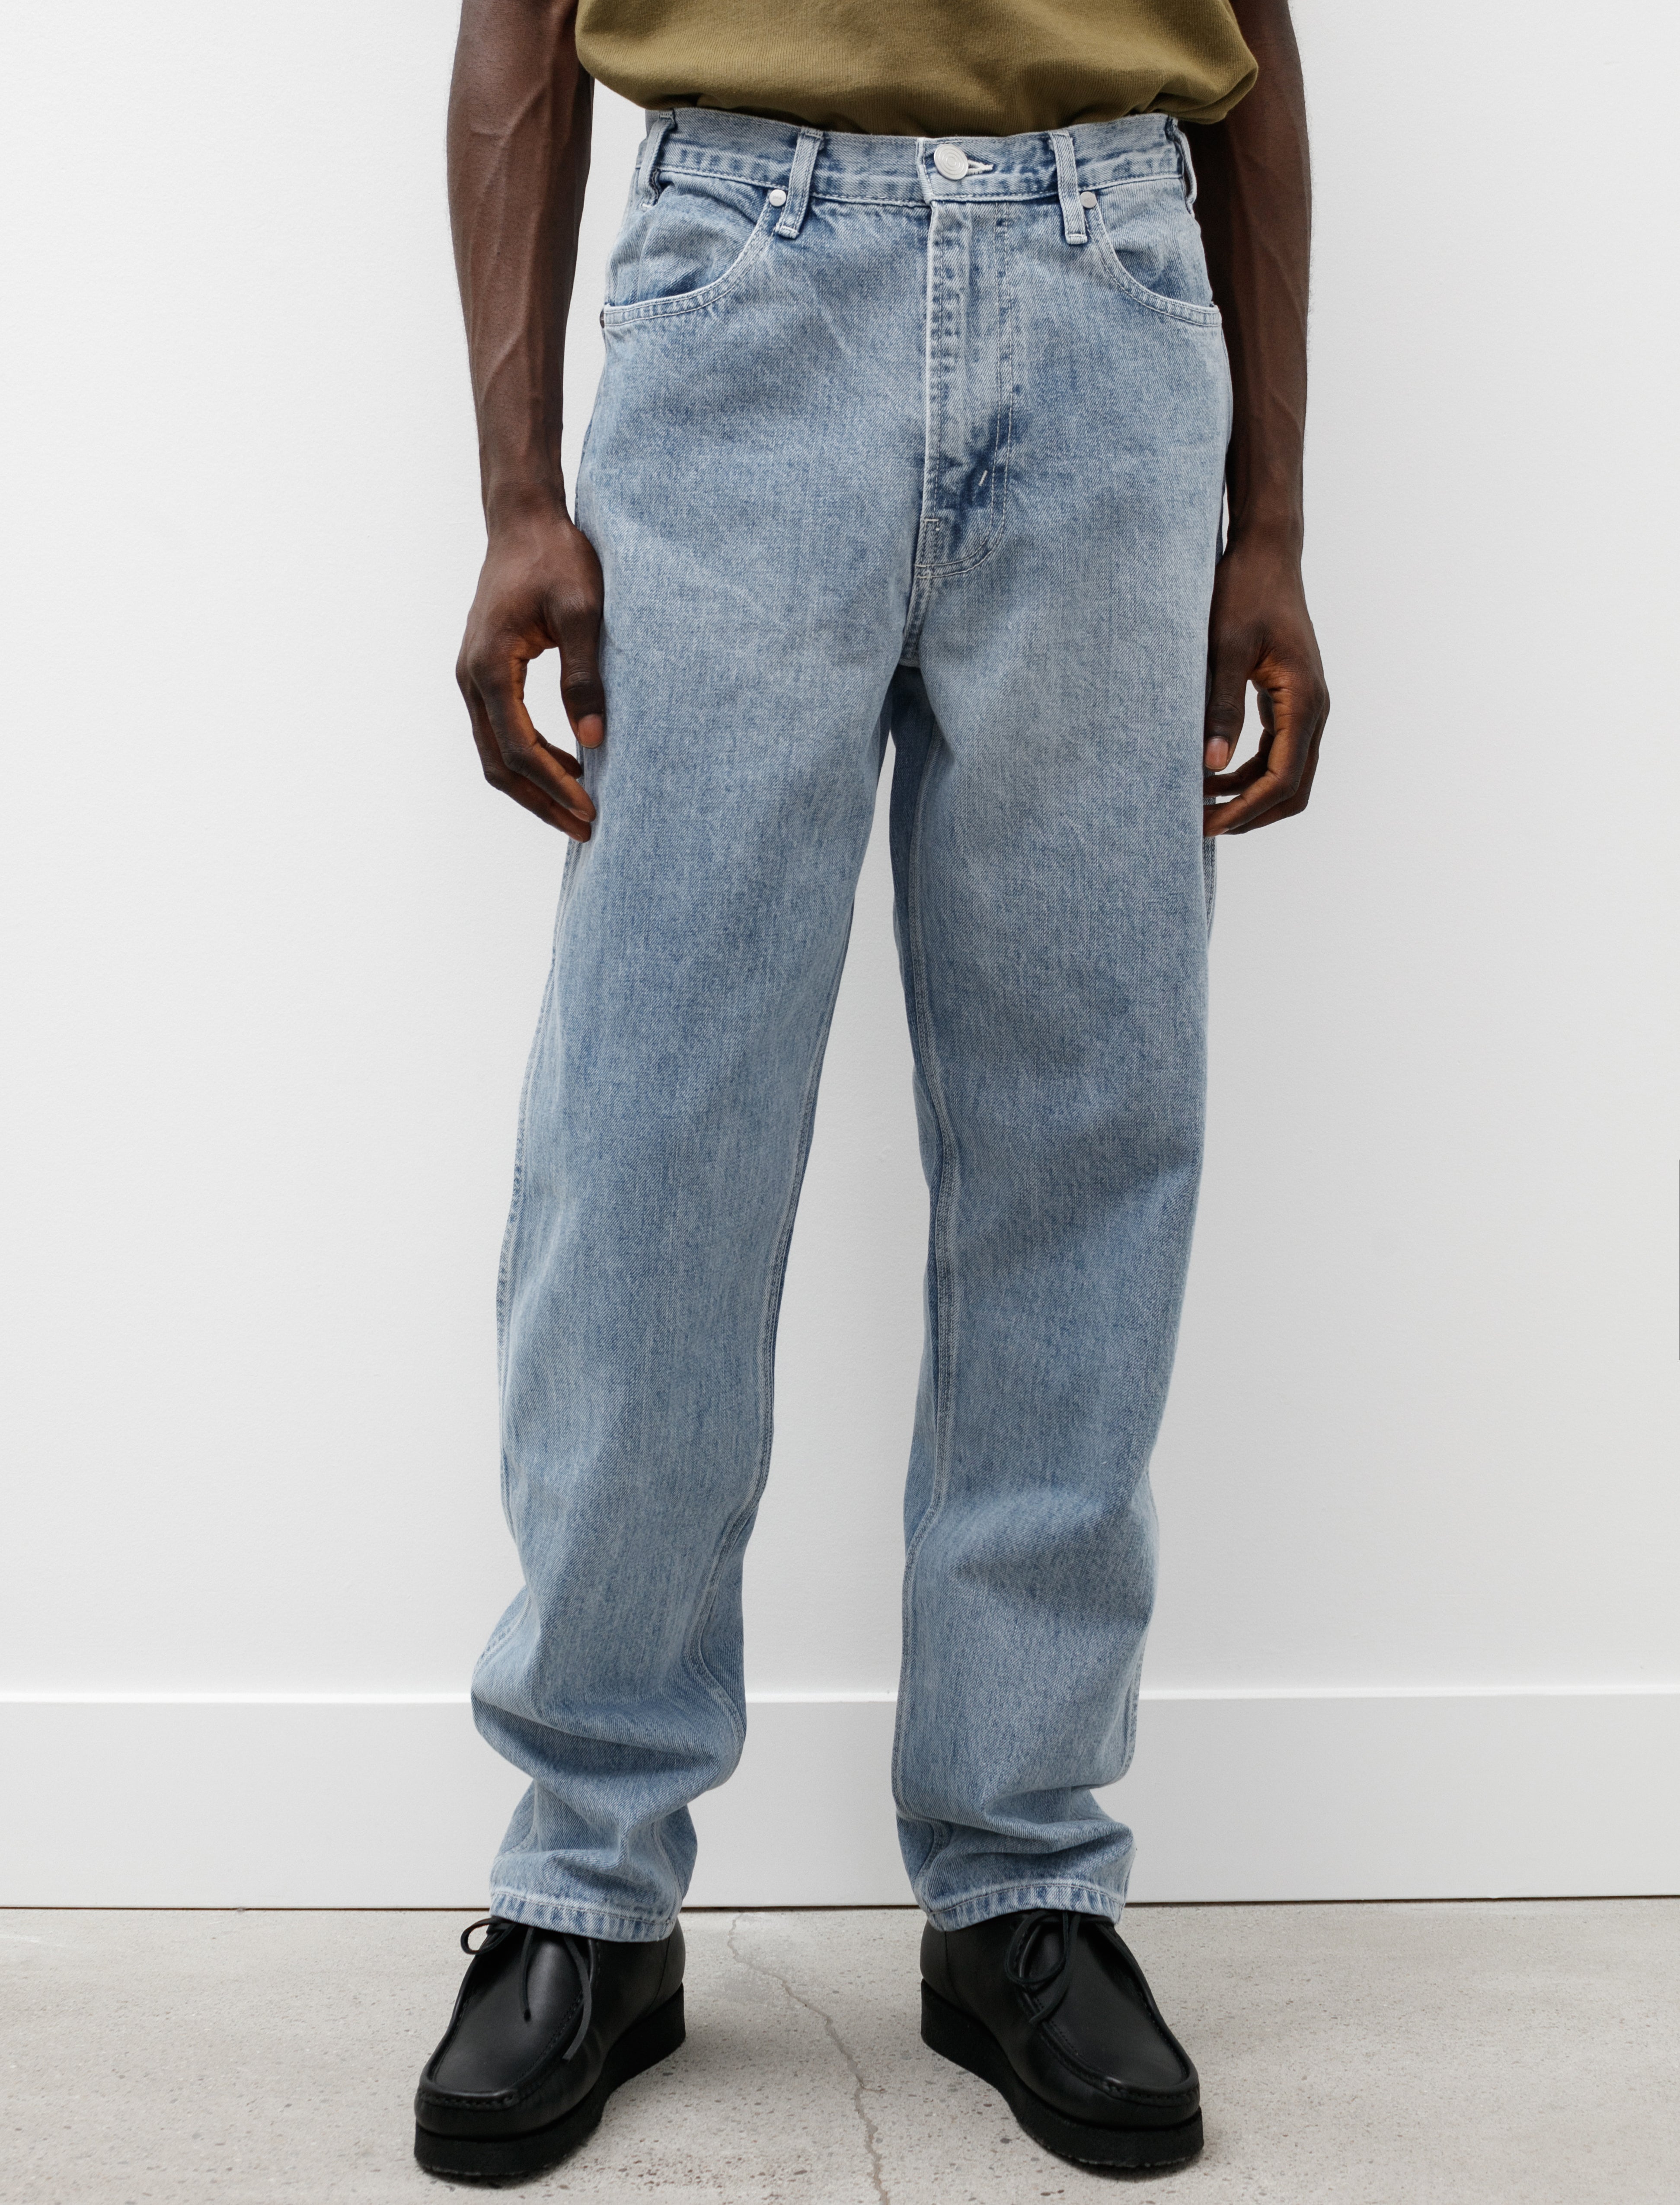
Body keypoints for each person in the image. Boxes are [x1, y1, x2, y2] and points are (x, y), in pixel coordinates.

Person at [412, 0, 1328, 2180]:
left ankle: (1023, 1882)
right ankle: (586, 1880)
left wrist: (1273, 523)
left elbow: (1260, 34)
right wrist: (518, 489)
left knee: (1084, 1131)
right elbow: (518, 21)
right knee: (653, 1133)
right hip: (744, 283)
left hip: (1118, 294)